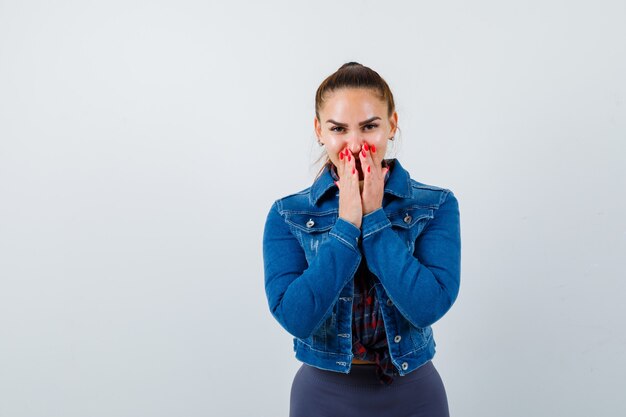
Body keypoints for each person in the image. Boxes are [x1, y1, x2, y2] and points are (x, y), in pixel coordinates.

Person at [262, 62, 461, 417]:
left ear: (392, 125)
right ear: (319, 131)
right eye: (339, 128)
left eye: (369, 126)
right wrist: (346, 225)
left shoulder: (437, 205)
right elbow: (295, 317)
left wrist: (374, 220)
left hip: (414, 395)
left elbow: (428, 306)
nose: (354, 145)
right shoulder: (286, 214)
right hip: (322, 397)